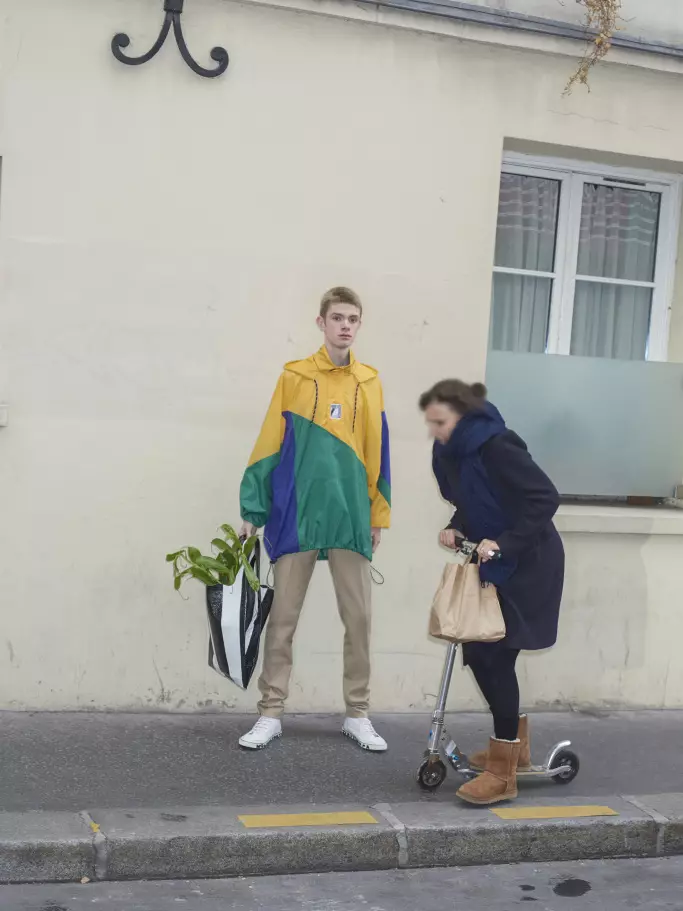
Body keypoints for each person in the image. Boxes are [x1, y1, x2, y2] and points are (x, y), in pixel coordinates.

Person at [238, 287, 391, 751]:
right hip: (297, 515)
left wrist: (377, 515)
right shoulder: (296, 377)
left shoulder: (369, 381)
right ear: (321, 322)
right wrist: (253, 509)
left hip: (350, 517)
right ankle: (270, 713)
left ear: (359, 325)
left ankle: (358, 714)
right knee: (282, 619)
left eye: (353, 319)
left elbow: (378, 454)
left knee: (359, 620)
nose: (346, 325)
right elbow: (268, 443)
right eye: (338, 317)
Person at [419, 379, 564, 806]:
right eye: (431, 424)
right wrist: (457, 527)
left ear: (464, 418)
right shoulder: (457, 452)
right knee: (484, 654)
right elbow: (476, 501)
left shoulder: (498, 446)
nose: (436, 432)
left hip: (529, 563)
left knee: (492, 656)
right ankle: (513, 751)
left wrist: (503, 542)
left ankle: (503, 772)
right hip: (495, 563)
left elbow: (543, 498)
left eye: (441, 423)